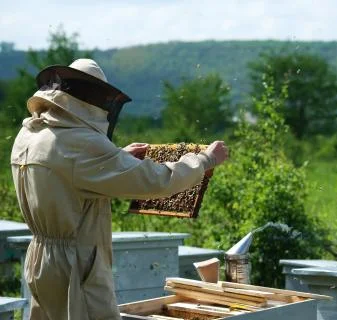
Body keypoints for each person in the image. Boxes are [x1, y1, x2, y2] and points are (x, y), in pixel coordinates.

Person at [10, 58, 228, 320]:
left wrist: (118, 157)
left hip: (40, 259)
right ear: (88, 97)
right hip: (75, 264)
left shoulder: (30, 134)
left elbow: (68, 174)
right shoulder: (80, 144)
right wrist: (205, 160)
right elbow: (156, 179)